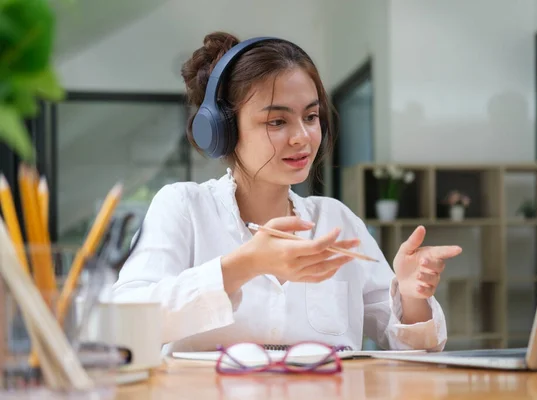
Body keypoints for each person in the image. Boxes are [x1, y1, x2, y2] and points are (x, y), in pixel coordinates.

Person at [112, 31, 462, 355]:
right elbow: (124, 324)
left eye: (310, 117)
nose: (302, 137)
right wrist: (246, 264)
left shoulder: (335, 220)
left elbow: (415, 350)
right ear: (224, 131)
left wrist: (412, 296)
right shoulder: (184, 207)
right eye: (277, 122)